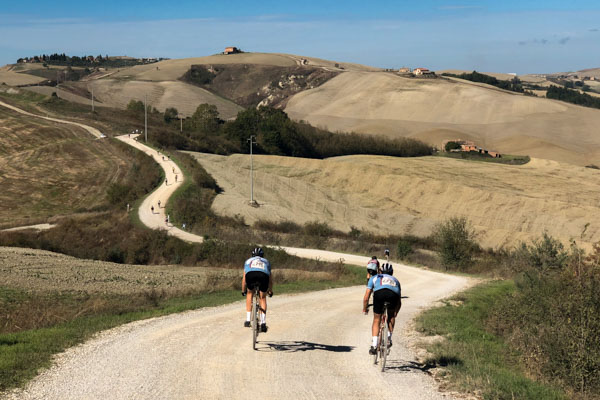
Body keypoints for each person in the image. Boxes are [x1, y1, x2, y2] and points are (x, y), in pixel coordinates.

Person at [363, 262, 401, 355]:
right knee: (391, 316)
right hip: (393, 295)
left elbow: (366, 296)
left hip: (379, 294)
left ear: (380, 271)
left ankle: (374, 345)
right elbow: (399, 301)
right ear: (392, 273)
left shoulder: (374, 278)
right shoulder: (396, 280)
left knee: (377, 319)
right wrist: (395, 312)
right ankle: (388, 338)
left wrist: (365, 308)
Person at [241, 247, 273, 332]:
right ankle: (263, 323)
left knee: (249, 293)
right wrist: (270, 290)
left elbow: (244, 279)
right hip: (263, 276)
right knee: (262, 298)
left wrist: (243, 290)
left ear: (252, 255)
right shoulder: (266, 262)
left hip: (251, 275)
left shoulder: (248, 261)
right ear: (262, 256)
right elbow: (270, 279)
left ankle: (248, 320)